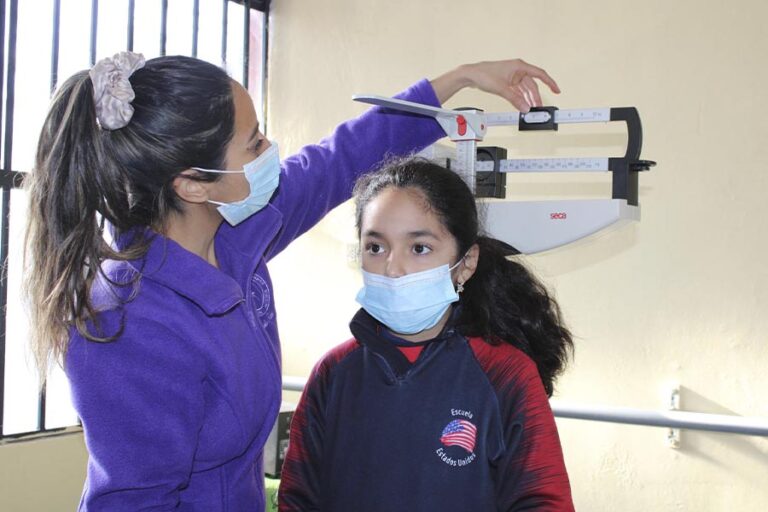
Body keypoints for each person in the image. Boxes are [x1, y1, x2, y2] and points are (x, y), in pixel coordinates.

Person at [23, 50, 559, 511]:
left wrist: (458, 78)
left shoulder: (238, 233)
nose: (270, 153)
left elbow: (338, 158)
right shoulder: (126, 323)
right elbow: (139, 499)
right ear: (191, 184)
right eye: (254, 143)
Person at [278, 157, 575, 511]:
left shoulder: (505, 376)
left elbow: (543, 501)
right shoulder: (334, 373)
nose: (393, 267)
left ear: (465, 264)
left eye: (419, 248)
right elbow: (298, 500)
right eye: (376, 247)